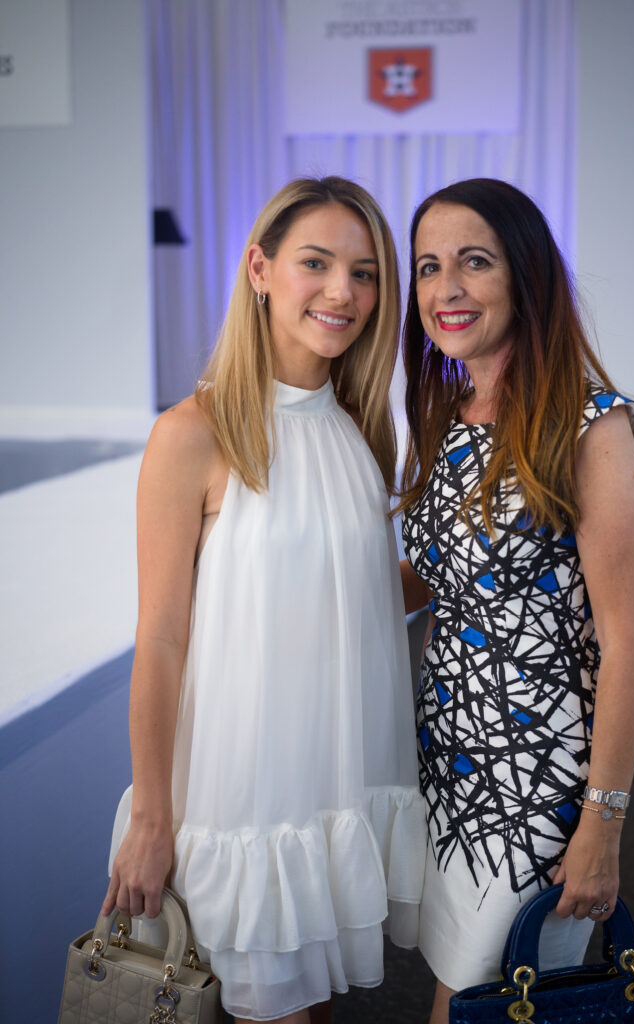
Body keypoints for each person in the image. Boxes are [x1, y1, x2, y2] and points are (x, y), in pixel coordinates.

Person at [102, 176, 426, 1024]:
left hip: (331, 779)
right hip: (243, 797)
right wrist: (150, 815)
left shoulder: (357, 427)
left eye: (365, 274)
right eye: (315, 263)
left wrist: (476, 557)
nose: (342, 292)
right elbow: (163, 639)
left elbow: (348, 600)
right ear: (259, 268)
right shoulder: (193, 434)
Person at [397, 178, 634, 1024]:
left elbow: (630, 643)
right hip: (452, 763)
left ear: (527, 273)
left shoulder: (591, 425)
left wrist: (602, 826)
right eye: (429, 266)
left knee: (487, 1002)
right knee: (460, 993)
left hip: (539, 784)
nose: (446, 289)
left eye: (475, 261)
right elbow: (445, 575)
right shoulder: (450, 411)